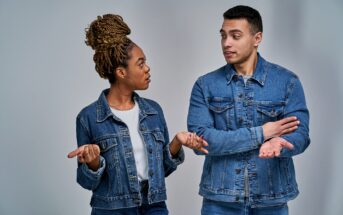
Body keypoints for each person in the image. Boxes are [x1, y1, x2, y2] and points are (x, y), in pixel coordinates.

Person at [67, 14, 208, 215]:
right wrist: (93, 162)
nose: (147, 68)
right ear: (121, 72)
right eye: (140, 64)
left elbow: (164, 170)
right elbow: (86, 181)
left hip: (154, 205)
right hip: (112, 209)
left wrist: (176, 142)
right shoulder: (89, 117)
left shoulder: (153, 111)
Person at [187, 5, 310, 215]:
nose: (226, 43)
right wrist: (262, 134)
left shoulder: (287, 82)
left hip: (271, 200)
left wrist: (280, 143)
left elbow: (301, 135)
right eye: (223, 35)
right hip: (219, 201)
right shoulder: (205, 85)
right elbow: (201, 141)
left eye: (235, 36)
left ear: (257, 38)